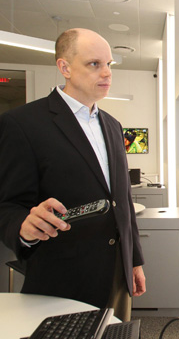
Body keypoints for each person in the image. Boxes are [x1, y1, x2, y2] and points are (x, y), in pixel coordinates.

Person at [0, 28, 145, 322]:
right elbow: (7, 206)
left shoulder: (114, 126)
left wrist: (135, 260)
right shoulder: (22, 124)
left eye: (109, 65)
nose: (106, 73)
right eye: (94, 64)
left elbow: (123, 202)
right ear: (64, 67)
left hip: (118, 275)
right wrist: (24, 227)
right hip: (63, 278)